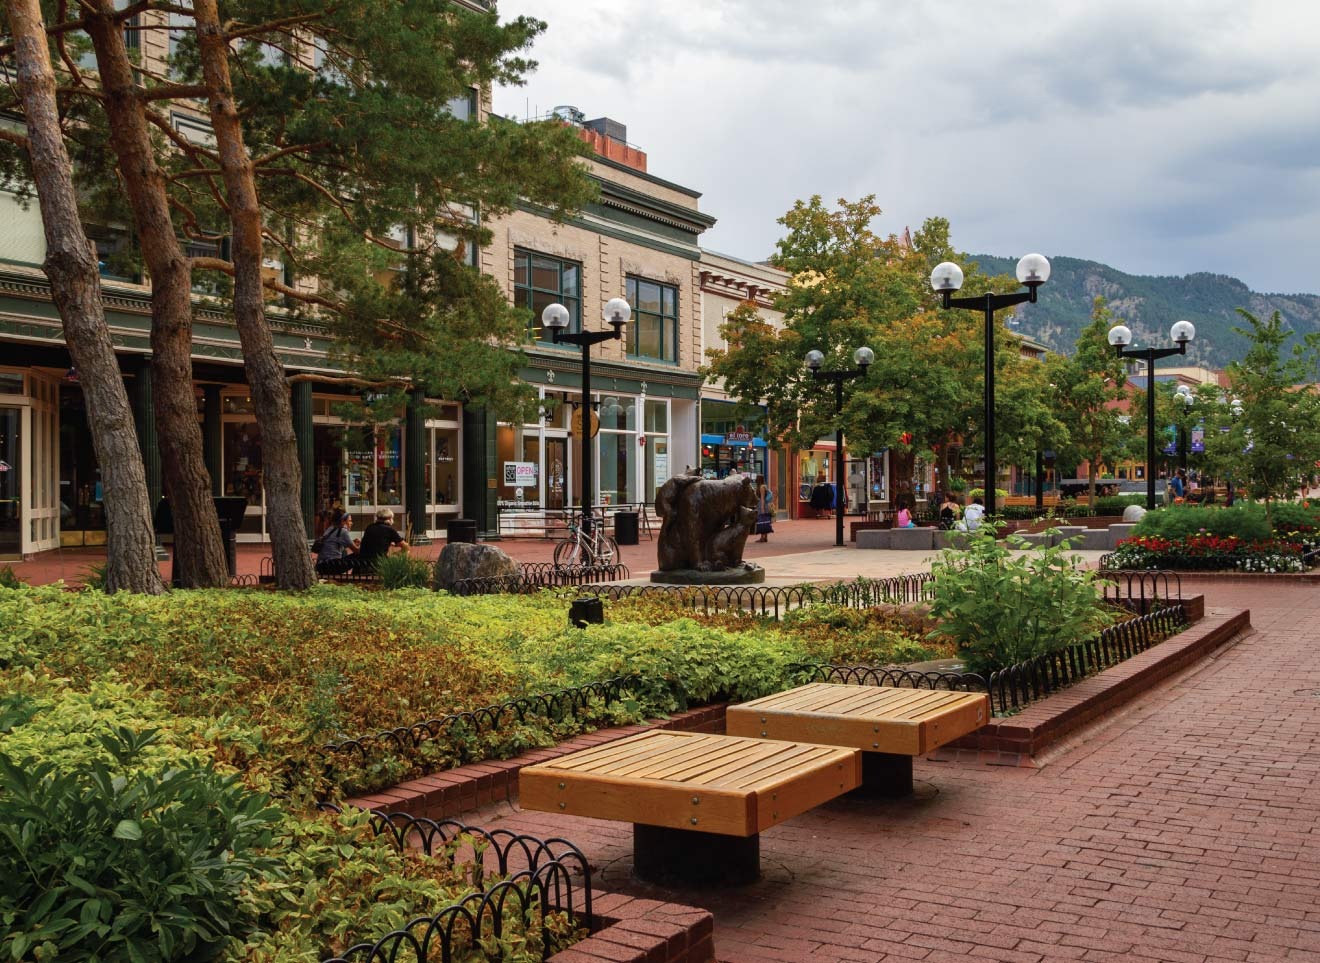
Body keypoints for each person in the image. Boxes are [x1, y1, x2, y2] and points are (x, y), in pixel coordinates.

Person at [356, 508, 409, 572]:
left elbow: (375, 541)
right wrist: (396, 554)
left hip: (363, 564)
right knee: (406, 551)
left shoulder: (369, 527)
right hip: (378, 564)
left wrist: (389, 543)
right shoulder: (389, 530)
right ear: (390, 519)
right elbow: (405, 546)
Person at [314, 510, 357, 575]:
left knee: (344, 552)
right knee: (359, 555)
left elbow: (334, 541)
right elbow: (356, 551)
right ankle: (358, 575)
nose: (351, 523)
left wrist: (353, 542)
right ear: (343, 521)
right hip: (331, 565)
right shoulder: (343, 531)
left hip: (321, 566)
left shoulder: (330, 528)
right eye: (350, 521)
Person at [754, 475, 775, 542]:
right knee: (765, 520)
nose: (755, 479)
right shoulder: (764, 486)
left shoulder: (762, 487)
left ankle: (762, 537)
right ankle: (765, 537)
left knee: (762, 520)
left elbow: (762, 498)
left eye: (757, 478)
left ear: (759, 480)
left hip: (762, 505)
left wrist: (762, 508)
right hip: (764, 505)